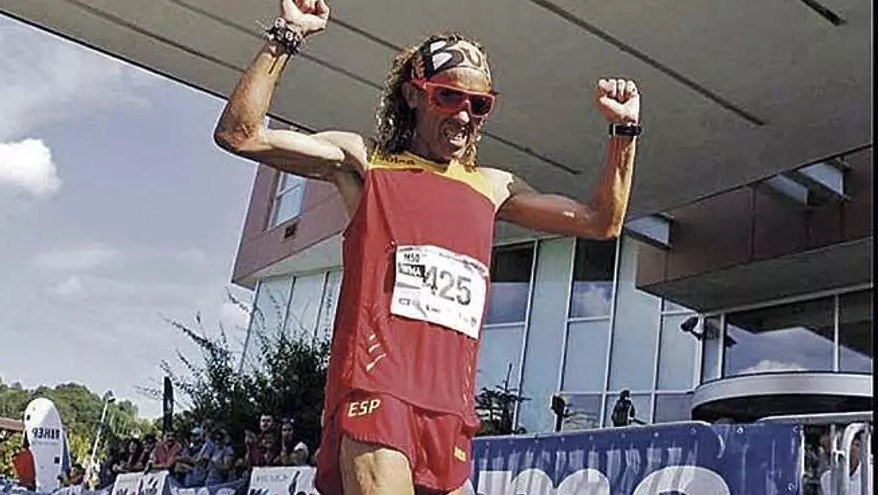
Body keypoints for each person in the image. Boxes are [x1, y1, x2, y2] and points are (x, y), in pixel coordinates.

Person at [214, 0, 640, 492]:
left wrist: (624, 132)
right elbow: (241, 135)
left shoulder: (493, 186)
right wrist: (286, 36)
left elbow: (601, 222)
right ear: (414, 95)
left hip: (451, 412)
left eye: (479, 105)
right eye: (448, 97)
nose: (464, 115)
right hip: (378, 392)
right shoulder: (366, 162)